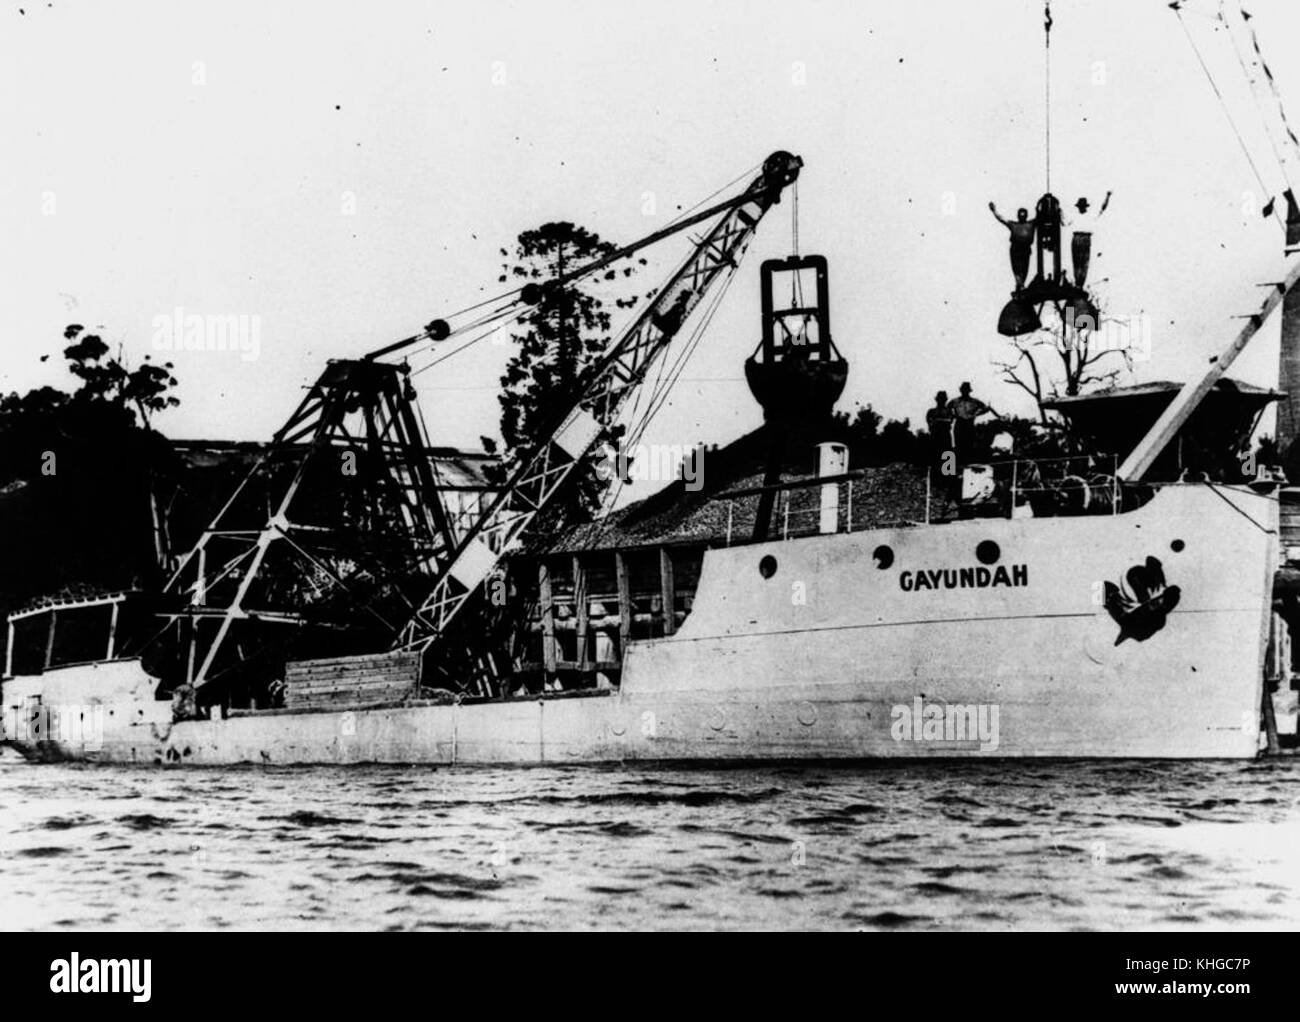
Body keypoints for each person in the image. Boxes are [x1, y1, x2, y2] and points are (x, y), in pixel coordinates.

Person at [946, 382, 999, 467]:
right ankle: (957, 468)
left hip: (969, 424)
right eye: (963, 390)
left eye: (966, 390)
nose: (965, 392)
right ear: (961, 390)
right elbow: (947, 410)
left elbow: (986, 408)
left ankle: (968, 466)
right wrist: (952, 416)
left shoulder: (975, 402)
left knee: (969, 446)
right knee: (958, 446)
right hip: (959, 424)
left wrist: (976, 414)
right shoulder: (954, 401)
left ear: (969, 391)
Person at [1066, 191, 1111, 287]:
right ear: (1078, 207)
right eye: (1080, 206)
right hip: (1076, 238)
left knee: (1084, 262)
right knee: (1076, 262)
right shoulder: (1074, 215)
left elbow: (1102, 208)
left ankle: (1080, 284)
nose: (1081, 208)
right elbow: (1064, 221)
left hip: (1086, 238)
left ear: (1085, 207)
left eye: (1083, 206)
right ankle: (1077, 283)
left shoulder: (1090, 215)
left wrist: (1107, 196)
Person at [989, 202, 1036, 293]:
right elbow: (1002, 219)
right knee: (1018, 269)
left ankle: (1020, 285)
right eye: (1021, 215)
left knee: (1024, 269)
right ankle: (1020, 285)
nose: (1022, 216)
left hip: (1025, 250)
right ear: (1018, 216)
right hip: (1016, 250)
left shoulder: (1031, 224)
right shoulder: (1014, 225)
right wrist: (994, 211)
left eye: (1023, 215)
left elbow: (1040, 218)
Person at [925, 391, 954, 485]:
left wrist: (939, 421)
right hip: (935, 437)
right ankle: (935, 480)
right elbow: (930, 423)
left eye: (943, 399)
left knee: (948, 456)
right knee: (935, 457)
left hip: (945, 436)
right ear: (936, 400)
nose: (941, 401)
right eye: (939, 399)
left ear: (945, 400)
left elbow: (950, 421)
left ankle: (947, 481)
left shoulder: (949, 411)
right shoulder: (931, 411)